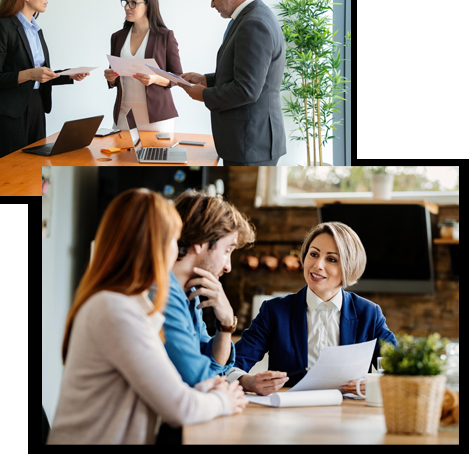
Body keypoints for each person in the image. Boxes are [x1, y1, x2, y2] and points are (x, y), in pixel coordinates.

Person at [47, 188, 247, 445]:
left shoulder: (122, 303)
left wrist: (214, 388)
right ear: (155, 244)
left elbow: (182, 383)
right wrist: (224, 399)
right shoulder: (115, 311)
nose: (178, 251)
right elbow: (180, 405)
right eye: (174, 241)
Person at [226, 222, 398, 396]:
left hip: (350, 416)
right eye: (314, 254)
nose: (317, 265)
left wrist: (374, 384)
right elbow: (231, 364)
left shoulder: (368, 313)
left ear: (349, 266)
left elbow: (403, 367)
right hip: (290, 415)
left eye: (331, 259)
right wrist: (250, 382)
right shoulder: (274, 311)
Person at [178, 0, 286, 166]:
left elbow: (246, 89)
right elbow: (244, 75)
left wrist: (204, 95)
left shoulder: (254, 23)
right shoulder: (251, 17)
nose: (211, 3)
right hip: (250, 143)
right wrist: (206, 80)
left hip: (251, 144)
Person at [0, 0, 89, 164]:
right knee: (8, 177)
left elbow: (40, 74)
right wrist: (30, 74)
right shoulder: (1, 27)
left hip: (37, 108)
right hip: (8, 115)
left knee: (34, 171)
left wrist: (67, 75)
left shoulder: (36, 30)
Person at [156, 190, 256, 387]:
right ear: (201, 242)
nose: (228, 266)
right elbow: (197, 379)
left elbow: (214, 370)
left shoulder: (190, 295)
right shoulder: (162, 293)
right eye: (227, 250)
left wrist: (226, 323)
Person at [104, 0, 182, 132]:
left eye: (133, 3)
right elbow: (114, 75)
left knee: (155, 155)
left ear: (148, 5)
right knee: (121, 155)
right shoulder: (117, 37)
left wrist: (156, 79)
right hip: (124, 115)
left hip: (157, 117)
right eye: (126, 2)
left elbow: (178, 76)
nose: (127, 7)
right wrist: (111, 77)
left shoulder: (165, 36)